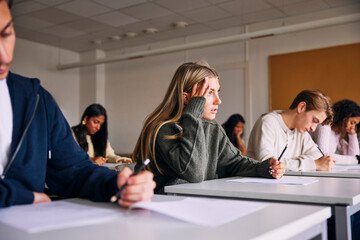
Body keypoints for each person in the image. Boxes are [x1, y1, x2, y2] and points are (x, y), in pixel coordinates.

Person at [0, 0, 155, 208]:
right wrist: (19, 197)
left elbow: (74, 171)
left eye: (6, 34)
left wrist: (116, 183)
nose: (4, 55)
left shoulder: (37, 101)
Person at [132, 62, 285, 193]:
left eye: (217, 91)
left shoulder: (212, 128)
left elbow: (235, 163)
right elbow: (194, 173)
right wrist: (193, 114)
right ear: (187, 98)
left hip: (199, 204)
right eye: (210, 93)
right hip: (167, 208)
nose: (219, 101)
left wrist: (266, 168)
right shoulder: (163, 129)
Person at [247, 89, 336, 171]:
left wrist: (288, 163)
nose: (313, 129)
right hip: (259, 186)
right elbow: (268, 164)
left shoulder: (300, 131)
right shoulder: (267, 122)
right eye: (314, 120)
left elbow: (318, 157)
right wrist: (313, 165)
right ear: (301, 107)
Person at [311, 99, 360, 164]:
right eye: (352, 122)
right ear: (343, 117)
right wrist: (356, 160)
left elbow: (354, 156)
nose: (353, 127)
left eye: (355, 124)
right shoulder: (324, 125)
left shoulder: (337, 134)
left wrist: (352, 134)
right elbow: (324, 155)